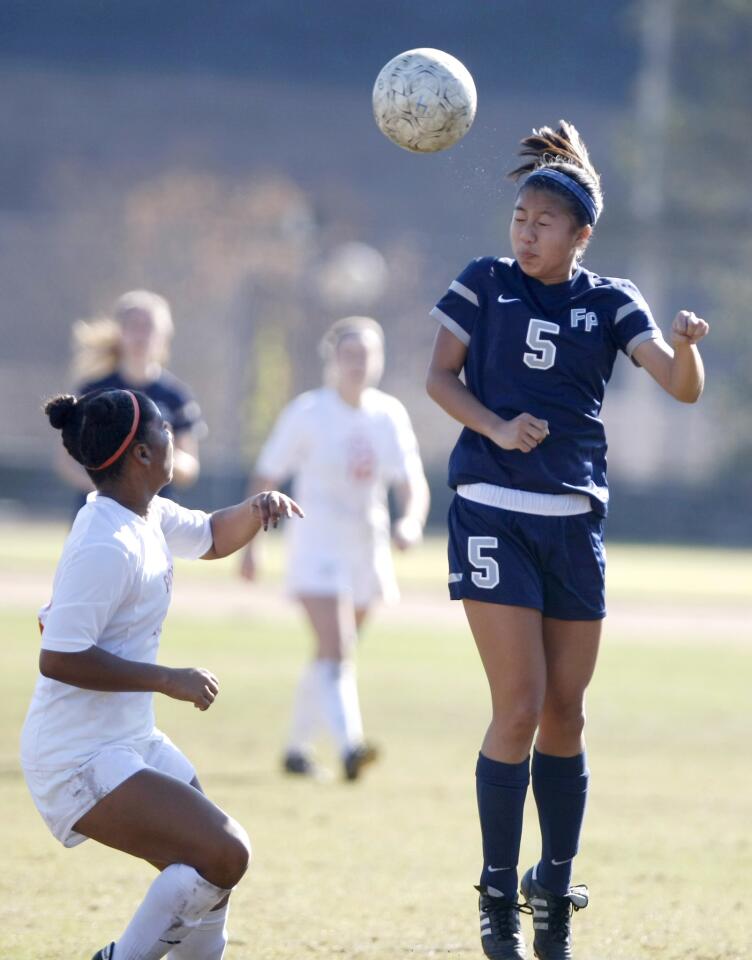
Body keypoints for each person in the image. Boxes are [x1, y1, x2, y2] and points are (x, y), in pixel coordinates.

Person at [426, 121, 709, 960]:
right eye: (521, 216)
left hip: (573, 522)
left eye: (545, 221)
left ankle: (555, 890)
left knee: (565, 711)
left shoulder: (611, 299)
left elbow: (678, 387)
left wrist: (690, 350)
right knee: (516, 706)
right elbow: (438, 376)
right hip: (490, 508)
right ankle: (496, 897)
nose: (526, 230)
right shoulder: (483, 281)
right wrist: (494, 425)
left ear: (581, 234)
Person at [21, 387, 303, 960]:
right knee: (226, 852)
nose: (175, 437)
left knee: (213, 869)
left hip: (126, 738)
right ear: (143, 456)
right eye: (166, 430)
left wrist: (257, 507)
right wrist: (166, 678)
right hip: (75, 755)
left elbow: (212, 535)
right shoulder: (106, 541)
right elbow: (60, 658)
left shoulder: (145, 512)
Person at [240, 316, 429, 781]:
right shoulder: (308, 412)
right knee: (338, 646)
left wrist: (411, 521)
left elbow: (412, 482)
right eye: (350, 355)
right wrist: (249, 545)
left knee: (332, 655)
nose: (358, 365)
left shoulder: (389, 414)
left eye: (367, 355)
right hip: (315, 544)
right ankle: (351, 747)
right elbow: (267, 475)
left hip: (366, 545)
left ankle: (296, 750)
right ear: (333, 360)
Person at [57, 289, 205, 503]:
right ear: (119, 332)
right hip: (98, 514)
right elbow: (65, 462)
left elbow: (190, 470)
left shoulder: (176, 397)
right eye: (133, 326)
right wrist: (107, 492)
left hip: (153, 518)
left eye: (149, 327)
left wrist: (162, 450)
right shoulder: (92, 391)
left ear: (164, 336)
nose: (140, 335)